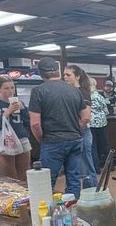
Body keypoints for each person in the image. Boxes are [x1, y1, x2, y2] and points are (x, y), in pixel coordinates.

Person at [29, 58, 89, 198]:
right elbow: (86, 116)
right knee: (74, 179)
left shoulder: (38, 91)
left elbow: (35, 124)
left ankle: (45, 216)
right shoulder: (74, 90)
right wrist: (76, 130)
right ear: (58, 71)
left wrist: (42, 139)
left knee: (46, 182)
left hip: (52, 141)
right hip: (75, 140)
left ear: (41, 73)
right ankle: (72, 211)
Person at [0, 76, 31, 180]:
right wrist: (7, 112)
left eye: (12, 88)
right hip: (4, 140)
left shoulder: (19, 102)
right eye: (6, 88)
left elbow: (29, 121)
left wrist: (23, 110)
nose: (10, 91)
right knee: (10, 177)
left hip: (21, 138)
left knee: (24, 174)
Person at [64, 64, 98, 188]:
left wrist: (77, 128)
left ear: (77, 76)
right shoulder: (69, 91)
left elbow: (86, 116)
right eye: (64, 75)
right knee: (79, 164)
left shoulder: (82, 92)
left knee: (86, 164)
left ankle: (93, 191)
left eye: (68, 75)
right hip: (74, 132)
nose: (65, 77)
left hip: (82, 131)